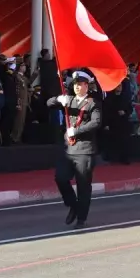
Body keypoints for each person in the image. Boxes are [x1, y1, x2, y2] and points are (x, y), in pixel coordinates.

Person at [46, 71, 102, 229]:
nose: (77, 87)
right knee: (60, 178)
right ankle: (73, 204)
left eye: (80, 84)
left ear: (87, 86)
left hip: (84, 150)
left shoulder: (93, 103)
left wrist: (76, 131)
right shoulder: (69, 100)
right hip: (69, 149)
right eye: (75, 84)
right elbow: (48, 103)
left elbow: (96, 123)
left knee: (83, 186)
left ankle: (81, 218)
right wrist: (58, 99)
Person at [11, 60, 30, 144]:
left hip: (24, 101)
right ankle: (15, 137)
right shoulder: (17, 76)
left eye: (25, 66)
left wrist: (35, 74)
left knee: (22, 121)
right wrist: (18, 101)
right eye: (22, 66)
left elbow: (28, 82)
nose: (24, 67)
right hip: (20, 100)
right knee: (18, 120)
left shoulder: (24, 77)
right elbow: (17, 90)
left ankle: (18, 137)